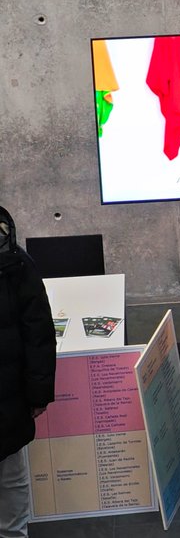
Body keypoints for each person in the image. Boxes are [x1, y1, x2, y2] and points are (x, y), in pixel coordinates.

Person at [0, 206, 55, 538]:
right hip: (8, 403)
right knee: (11, 482)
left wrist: (38, 393)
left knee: (10, 481)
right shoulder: (14, 259)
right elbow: (38, 331)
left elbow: (38, 332)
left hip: (7, 401)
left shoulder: (15, 263)